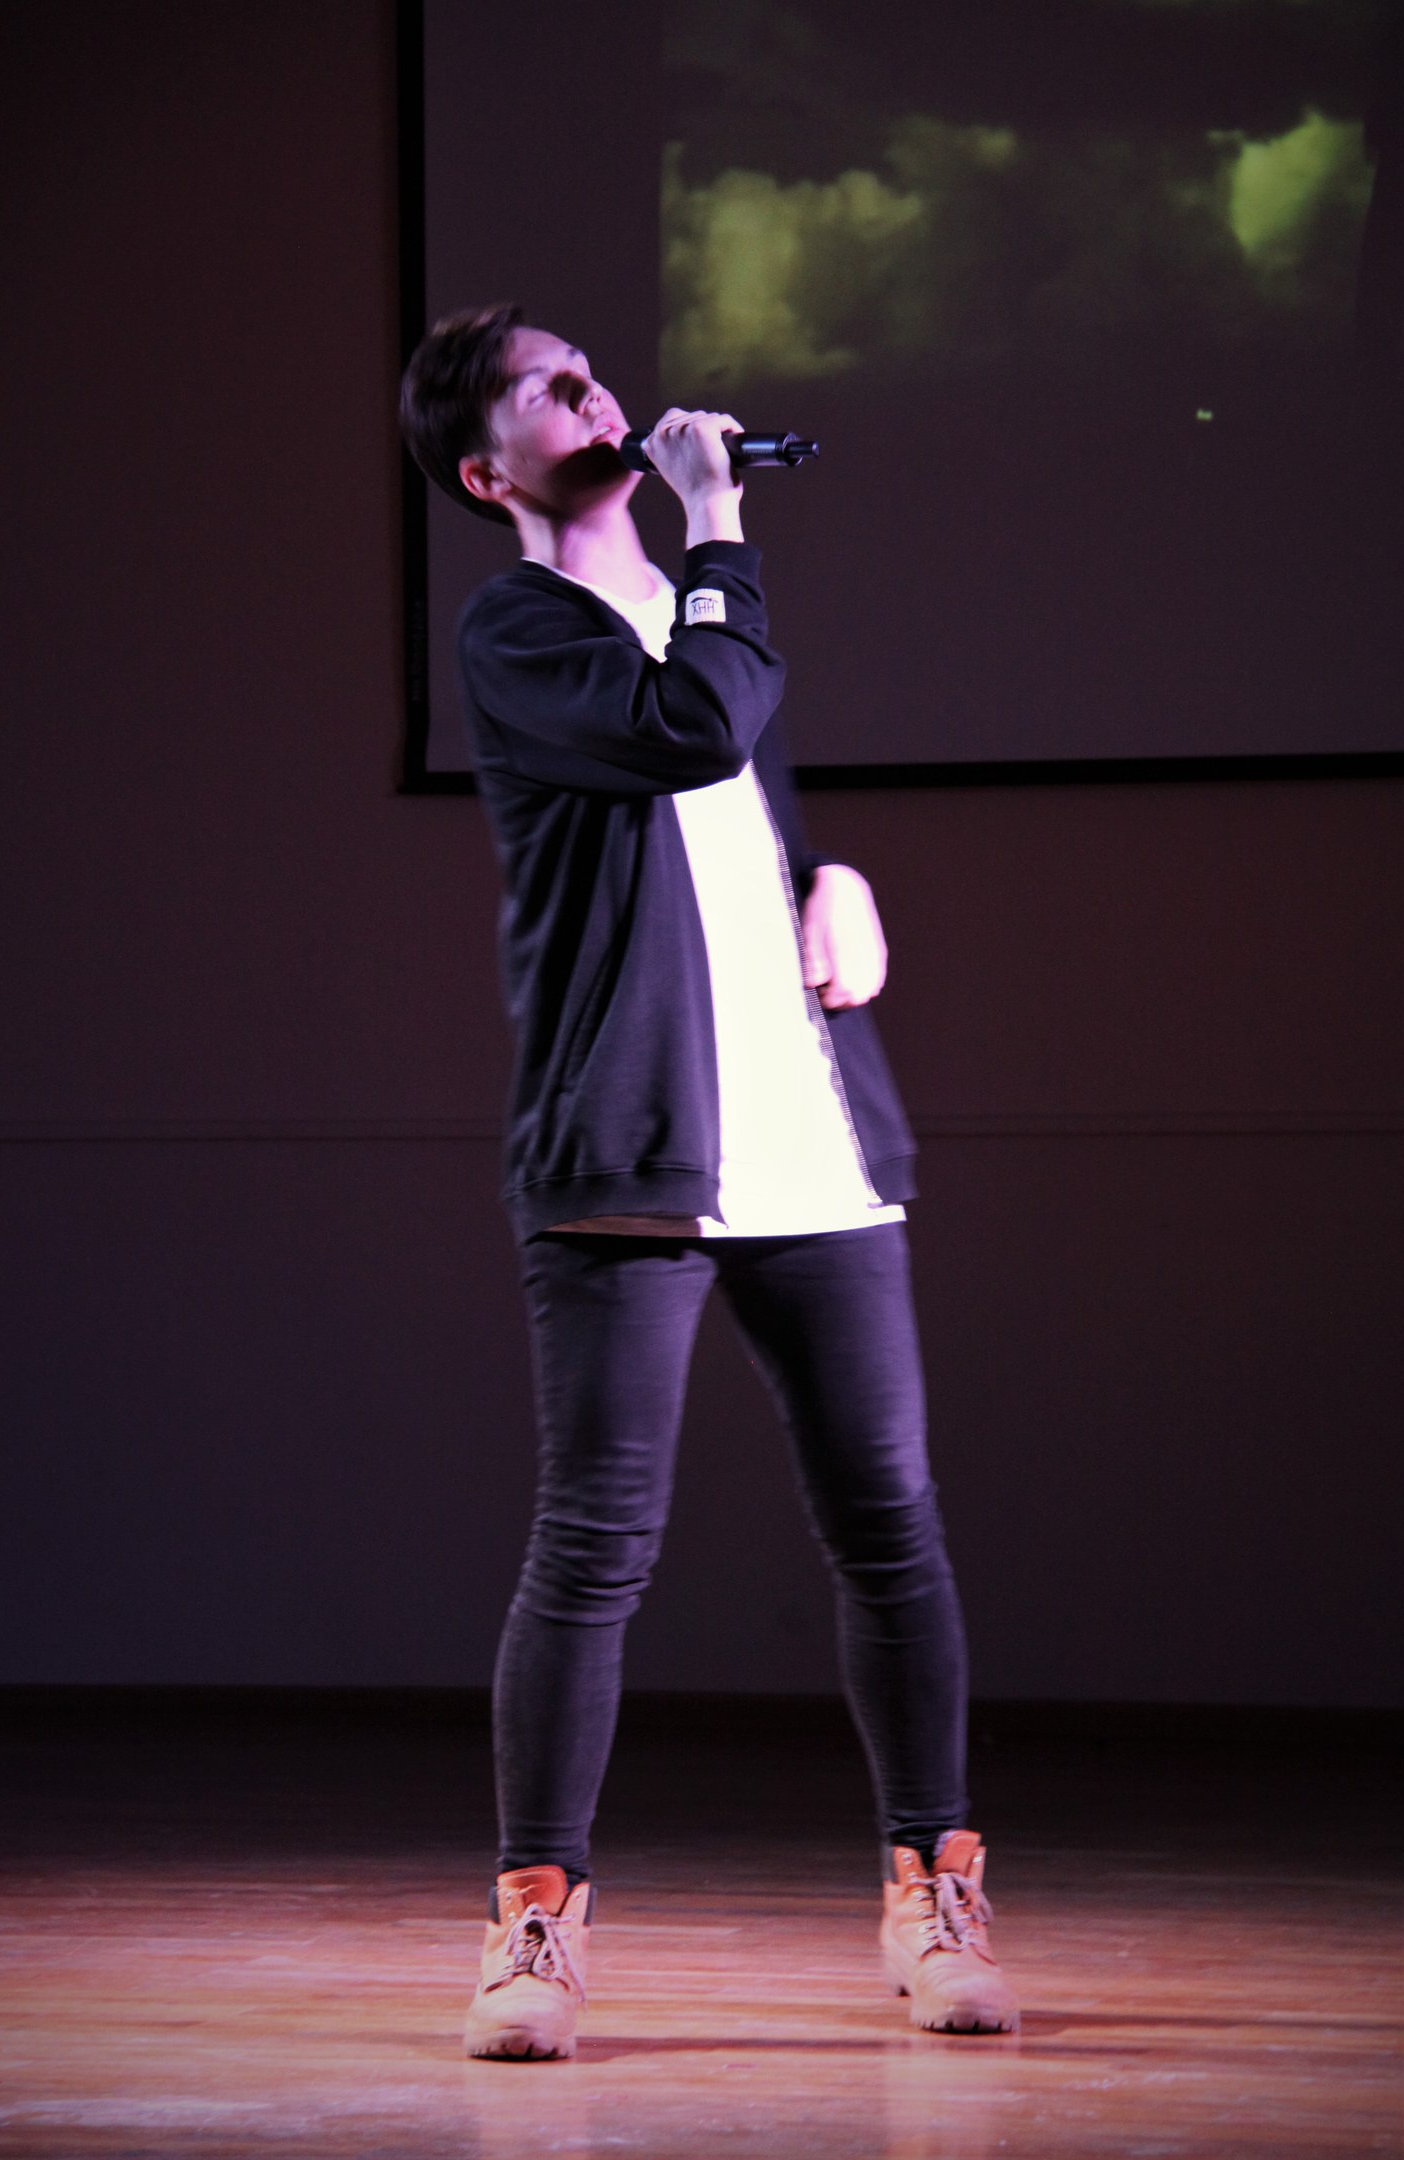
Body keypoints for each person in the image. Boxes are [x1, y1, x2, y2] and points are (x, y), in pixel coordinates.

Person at [398, 304, 1020, 2060]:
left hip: (807, 1134)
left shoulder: (695, 613)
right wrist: (725, 523)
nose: (595, 390)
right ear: (488, 471)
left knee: (890, 1523)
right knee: (597, 1542)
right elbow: (688, 729)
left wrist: (837, 880)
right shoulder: (525, 626)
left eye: (588, 369)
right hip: (635, 1142)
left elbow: (730, 824)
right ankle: (535, 1925)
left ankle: (934, 1889)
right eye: (548, 388)